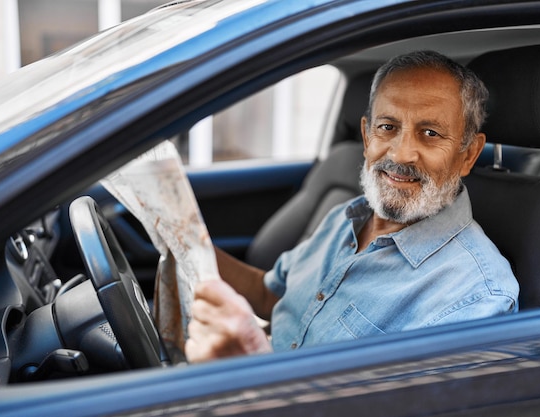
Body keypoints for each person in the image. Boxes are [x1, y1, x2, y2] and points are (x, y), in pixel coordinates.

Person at [184, 50, 519, 363]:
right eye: (387, 127)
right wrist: (185, 243)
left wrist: (246, 369)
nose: (401, 154)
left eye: (430, 133)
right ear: (366, 137)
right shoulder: (345, 218)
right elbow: (273, 296)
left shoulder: (475, 296)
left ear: (469, 155)